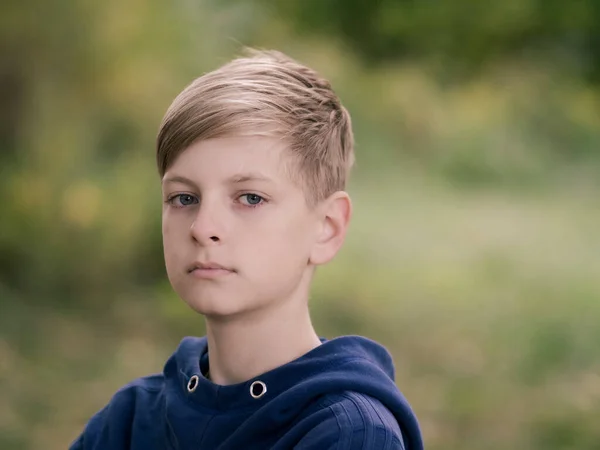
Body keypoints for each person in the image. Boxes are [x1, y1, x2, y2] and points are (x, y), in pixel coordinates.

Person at [70, 49, 423, 450]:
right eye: (184, 198)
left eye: (250, 198)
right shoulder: (130, 419)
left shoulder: (350, 435)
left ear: (326, 228)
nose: (203, 228)